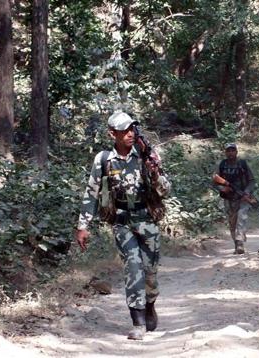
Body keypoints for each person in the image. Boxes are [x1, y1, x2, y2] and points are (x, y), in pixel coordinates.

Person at [75, 111, 171, 340]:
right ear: (112, 133)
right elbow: (92, 193)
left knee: (150, 273)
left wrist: (154, 169)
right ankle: (137, 322)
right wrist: (83, 225)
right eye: (124, 131)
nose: (130, 134)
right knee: (133, 268)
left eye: (132, 130)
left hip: (147, 220)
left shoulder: (146, 155)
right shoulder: (104, 159)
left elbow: (166, 190)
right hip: (122, 222)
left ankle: (149, 305)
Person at [214, 143, 255, 254]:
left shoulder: (242, 164)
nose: (231, 153)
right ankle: (237, 245)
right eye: (228, 151)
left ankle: (240, 242)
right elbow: (214, 181)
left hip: (242, 197)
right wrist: (222, 188)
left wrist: (246, 192)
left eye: (233, 150)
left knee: (241, 217)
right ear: (225, 152)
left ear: (236, 152)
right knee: (232, 223)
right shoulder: (222, 165)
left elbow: (251, 181)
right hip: (229, 198)